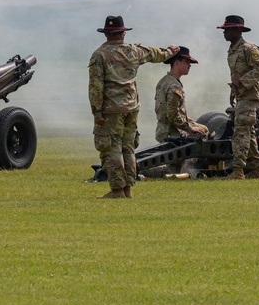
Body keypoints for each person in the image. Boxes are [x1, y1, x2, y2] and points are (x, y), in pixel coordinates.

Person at [89, 15, 179, 199]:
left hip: (111, 110)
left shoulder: (99, 55)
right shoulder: (133, 51)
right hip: (132, 107)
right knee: (128, 148)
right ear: (122, 33)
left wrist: (96, 112)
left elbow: (96, 87)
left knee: (112, 148)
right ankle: (127, 189)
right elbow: (155, 54)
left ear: (106, 34)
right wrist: (170, 52)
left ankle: (117, 190)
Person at [218, 14, 259, 180]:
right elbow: (236, 74)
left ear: (237, 31)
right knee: (249, 133)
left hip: (250, 96)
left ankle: (238, 171)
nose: (224, 33)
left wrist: (242, 82)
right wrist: (234, 90)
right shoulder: (233, 50)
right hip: (242, 95)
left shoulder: (249, 48)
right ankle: (256, 169)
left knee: (240, 132)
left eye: (227, 30)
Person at [151, 46, 208, 176]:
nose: (189, 65)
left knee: (172, 169)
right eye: (187, 62)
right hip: (173, 133)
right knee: (201, 133)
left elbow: (164, 109)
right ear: (177, 62)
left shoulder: (164, 81)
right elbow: (172, 113)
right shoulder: (174, 85)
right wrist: (189, 128)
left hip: (164, 129)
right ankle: (188, 171)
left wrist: (184, 118)